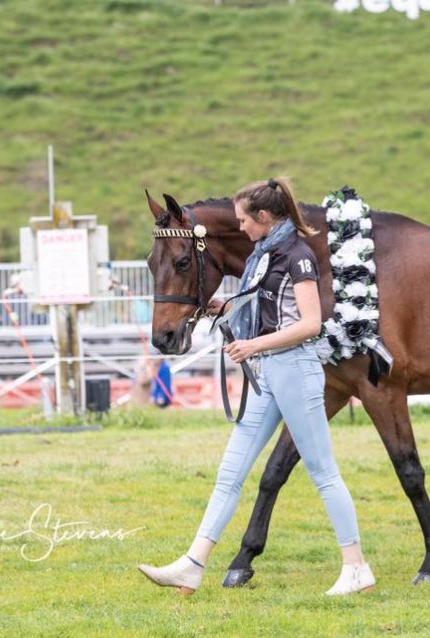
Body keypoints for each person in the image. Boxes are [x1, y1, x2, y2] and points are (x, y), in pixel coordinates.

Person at [138, 177, 375, 596]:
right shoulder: (265, 254)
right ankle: (193, 564)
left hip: (296, 371)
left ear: (265, 218)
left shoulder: (298, 256)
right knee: (230, 473)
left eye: (244, 219)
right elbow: (268, 304)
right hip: (268, 372)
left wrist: (252, 344)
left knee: (323, 472)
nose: (240, 227)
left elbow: (309, 324)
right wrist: (226, 306)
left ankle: (355, 567)